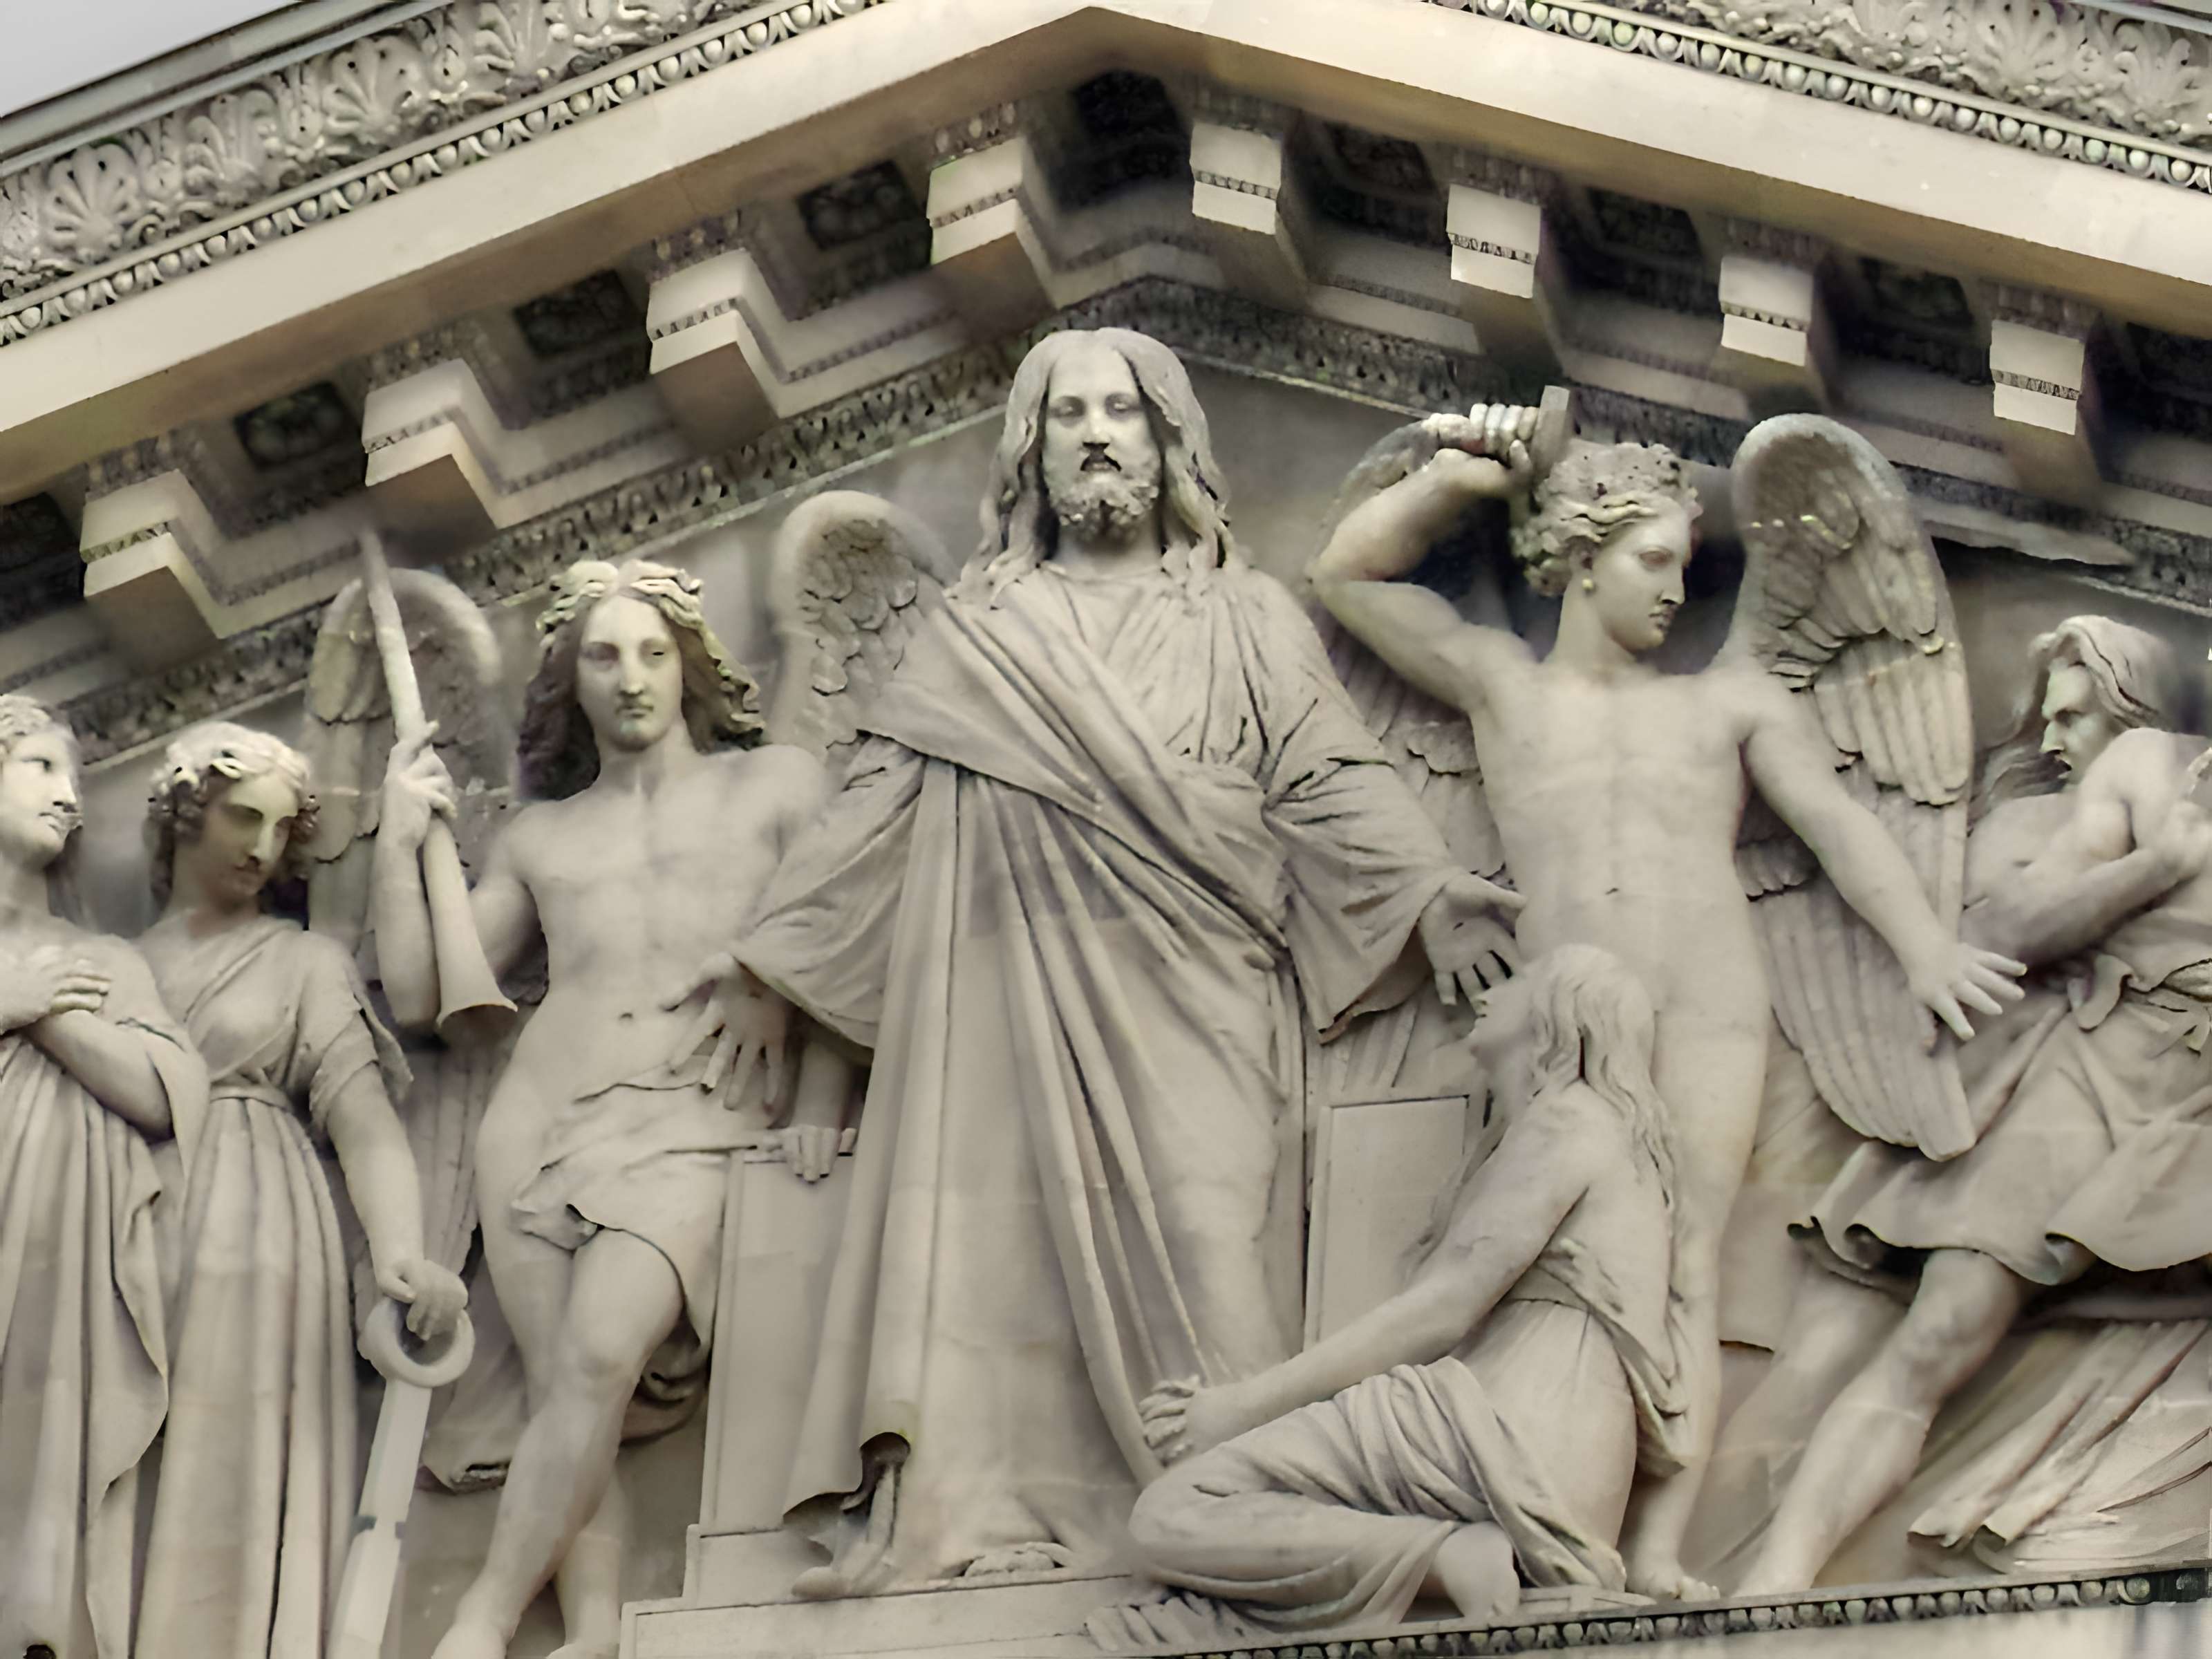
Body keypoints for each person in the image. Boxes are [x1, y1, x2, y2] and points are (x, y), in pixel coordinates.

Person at [737, 328, 1522, 1595]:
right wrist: (776, 963)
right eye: (1069, 415)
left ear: (1169, 441)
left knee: (1214, 1246)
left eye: (1122, 411)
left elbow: (1327, 772)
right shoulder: (980, 630)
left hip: (1202, 975)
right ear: (1031, 452)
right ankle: (971, 1518)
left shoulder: (1243, 613)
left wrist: (1428, 896)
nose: (1097, 435)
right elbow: (876, 799)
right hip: (1002, 990)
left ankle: (1243, 1517)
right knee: (990, 1259)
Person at [1306, 409, 2024, 1597]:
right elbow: (1344, 573)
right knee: (1542, 1248)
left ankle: (1656, 1543)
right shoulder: (1501, 682)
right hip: (1566, 1018)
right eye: (1652, 561)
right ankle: (1530, 1492)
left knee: (1684, 1259)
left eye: (1686, 567)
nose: (1675, 592)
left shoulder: (1727, 704)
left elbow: (1841, 827)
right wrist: (1461, 474)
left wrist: (1925, 951)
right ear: (1581, 558)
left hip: (1709, 1003)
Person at [376, 559, 854, 1659]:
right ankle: (593, 1631)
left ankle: (483, 1620)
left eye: (652, 652)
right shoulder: (542, 838)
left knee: (598, 1356)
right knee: (563, 1388)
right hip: (537, 1126)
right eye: (603, 656)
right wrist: (403, 843)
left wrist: (779, 1000)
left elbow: (851, 920)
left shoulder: (776, 785)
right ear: (571, 678)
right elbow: (421, 992)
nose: (631, 677)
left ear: (689, 664)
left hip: (700, 1105)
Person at [1691, 615, 2188, 1580]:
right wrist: (2159, 868)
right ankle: (1773, 1582)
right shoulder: (2151, 767)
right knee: (1940, 1333)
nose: (2054, 740)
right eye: (2056, 718)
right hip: (2100, 1071)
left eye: (2073, 718)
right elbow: (2009, 927)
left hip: (2191, 1103)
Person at [1103, 946, 1687, 1643]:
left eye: (1524, 978)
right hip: (1558, 1465)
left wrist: (1236, 1408)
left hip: (1502, 1438)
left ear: (1558, 1012)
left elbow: (1442, 1309)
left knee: (1173, 1511)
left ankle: (1447, 1556)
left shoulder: (1567, 1122)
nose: (1494, 989)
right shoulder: (1585, 1133)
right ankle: (1443, 1556)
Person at [133, 722, 465, 1658]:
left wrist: (400, 1254)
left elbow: (365, 1122)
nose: (263, 847)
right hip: (125, 1230)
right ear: (184, 815)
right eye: (244, 817)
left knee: (235, 1464)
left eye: (282, 830)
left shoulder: (304, 962)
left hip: (259, 1226)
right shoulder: (114, 968)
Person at [0, 696, 203, 1659]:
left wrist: (45, 1010)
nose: (69, 797)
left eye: (76, 776)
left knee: (39, 1451)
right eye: (40, 767)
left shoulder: (101, 960)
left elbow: (162, 1094)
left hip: (58, 1251)